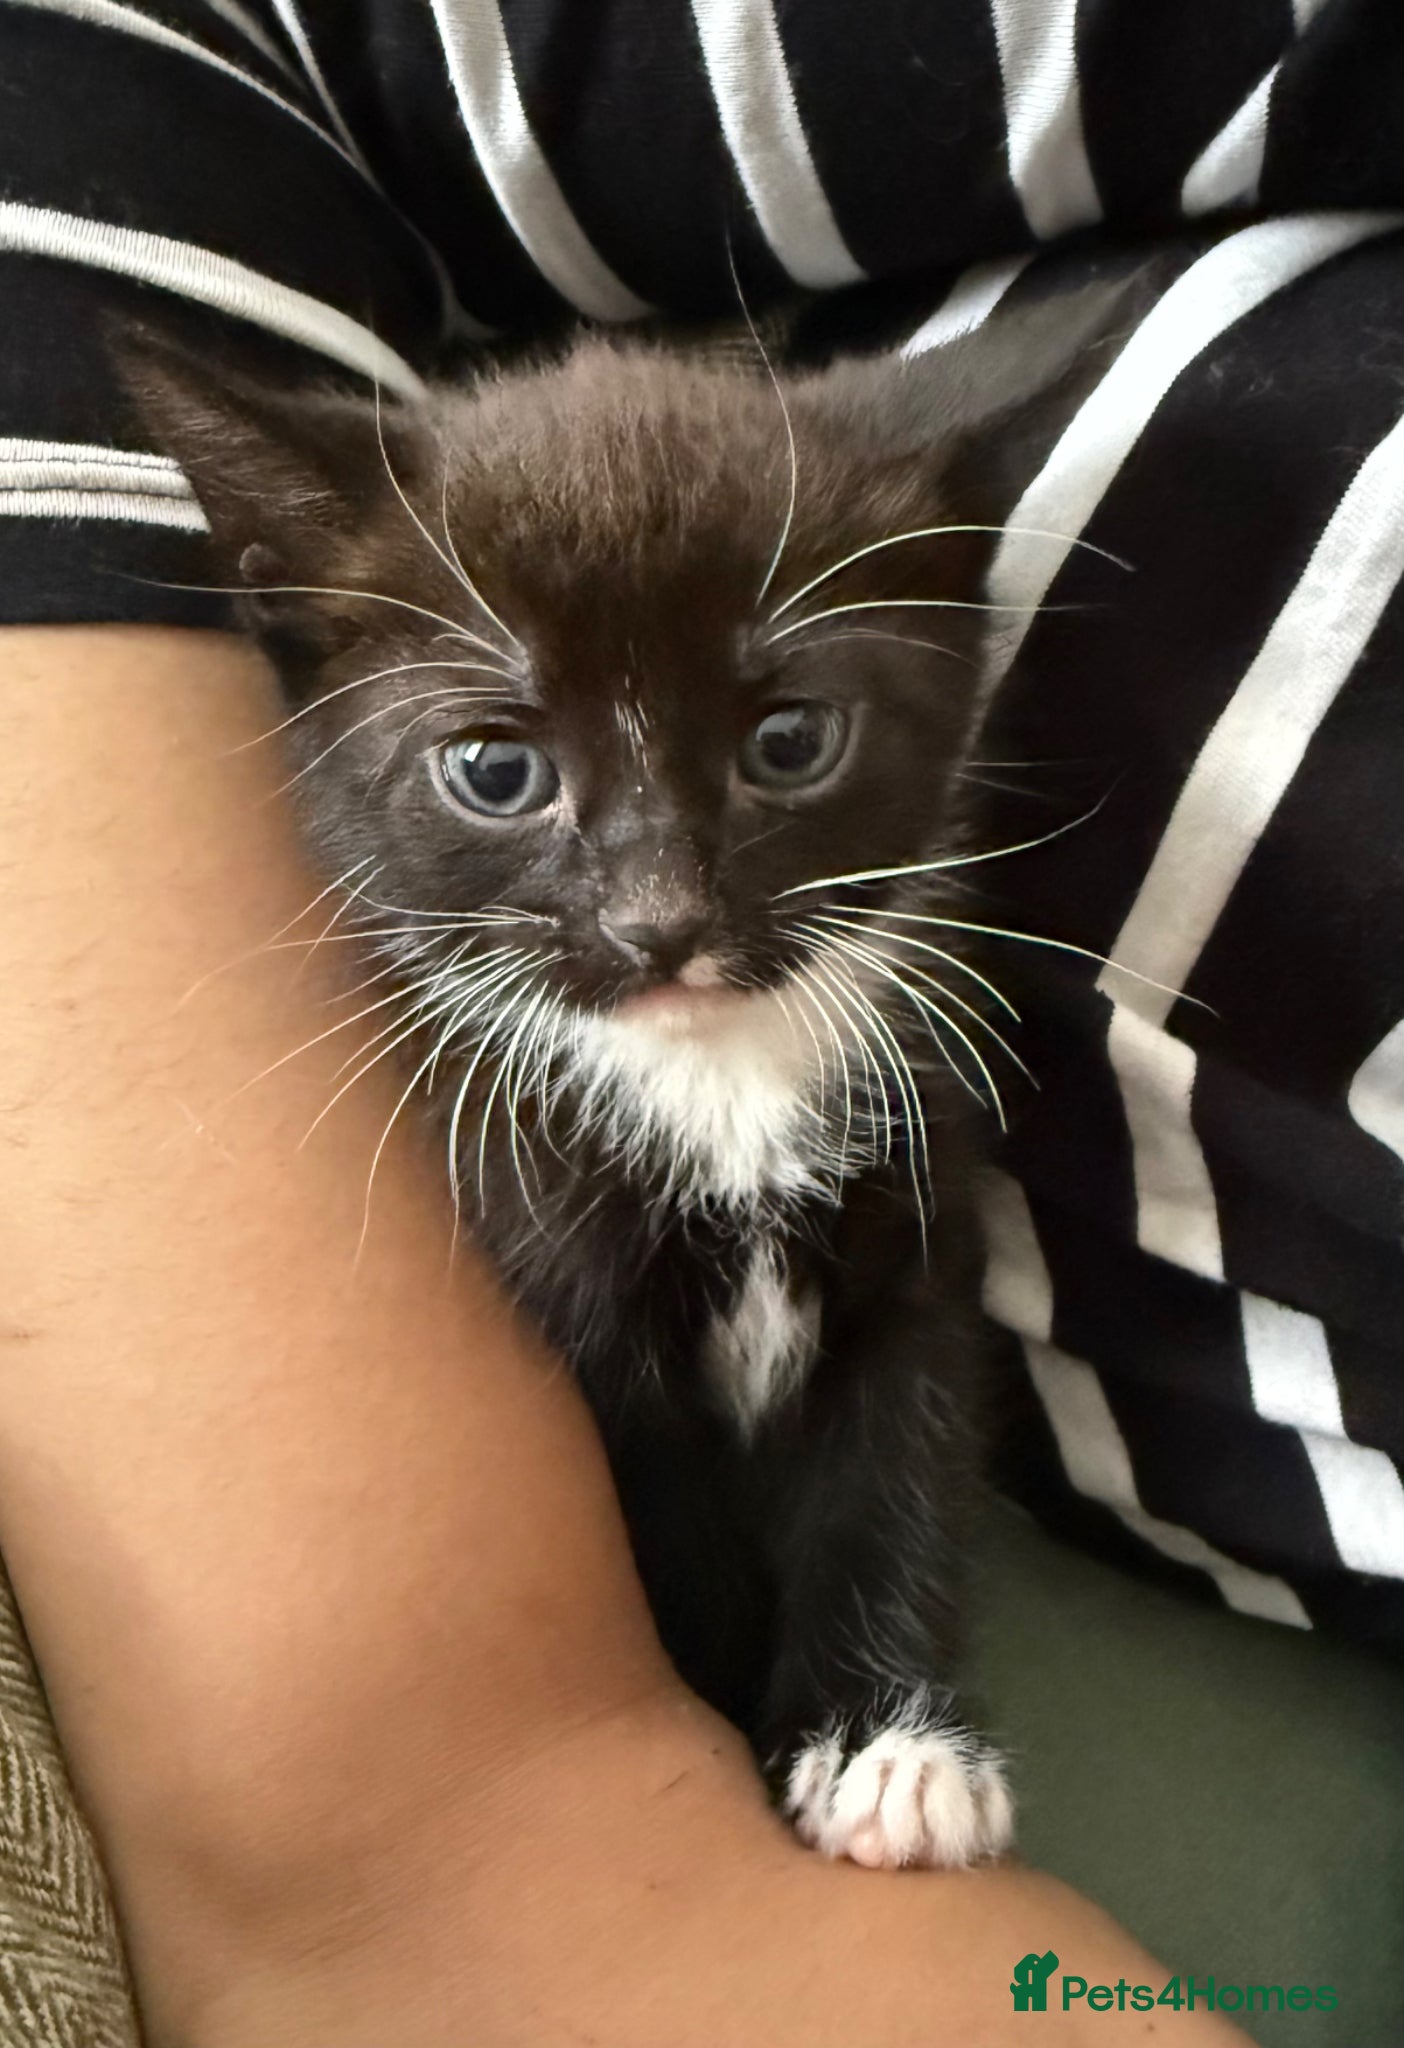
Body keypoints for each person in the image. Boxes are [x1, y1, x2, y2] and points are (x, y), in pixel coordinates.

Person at [0, 4, 1399, 2042]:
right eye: (498, 774)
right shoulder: (434, 1050)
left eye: (788, 741)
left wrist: (870, 1692)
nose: (659, 905)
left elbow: (891, 1340)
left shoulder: (888, 957)